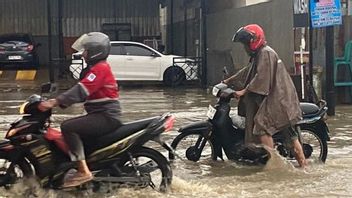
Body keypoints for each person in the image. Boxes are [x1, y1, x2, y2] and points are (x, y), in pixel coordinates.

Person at [38, 32, 122, 187]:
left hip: (106, 117)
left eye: (86, 51)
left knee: (68, 127)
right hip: (101, 115)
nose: (83, 54)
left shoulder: (100, 69)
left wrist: (55, 102)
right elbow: (83, 93)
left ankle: (83, 171)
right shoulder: (97, 68)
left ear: (96, 51)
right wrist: (60, 102)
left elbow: (81, 90)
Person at [222, 24, 307, 168]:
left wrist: (243, 91)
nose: (245, 48)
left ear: (254, 41)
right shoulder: (259, 55)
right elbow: (247, 71)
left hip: (280, 102)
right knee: (286, 135)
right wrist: (229, 80)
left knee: (267, 129)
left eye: (246, 44)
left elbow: (261, 77)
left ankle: (277, 164)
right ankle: (275, 161)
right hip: (273, 100)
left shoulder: (266, 53)